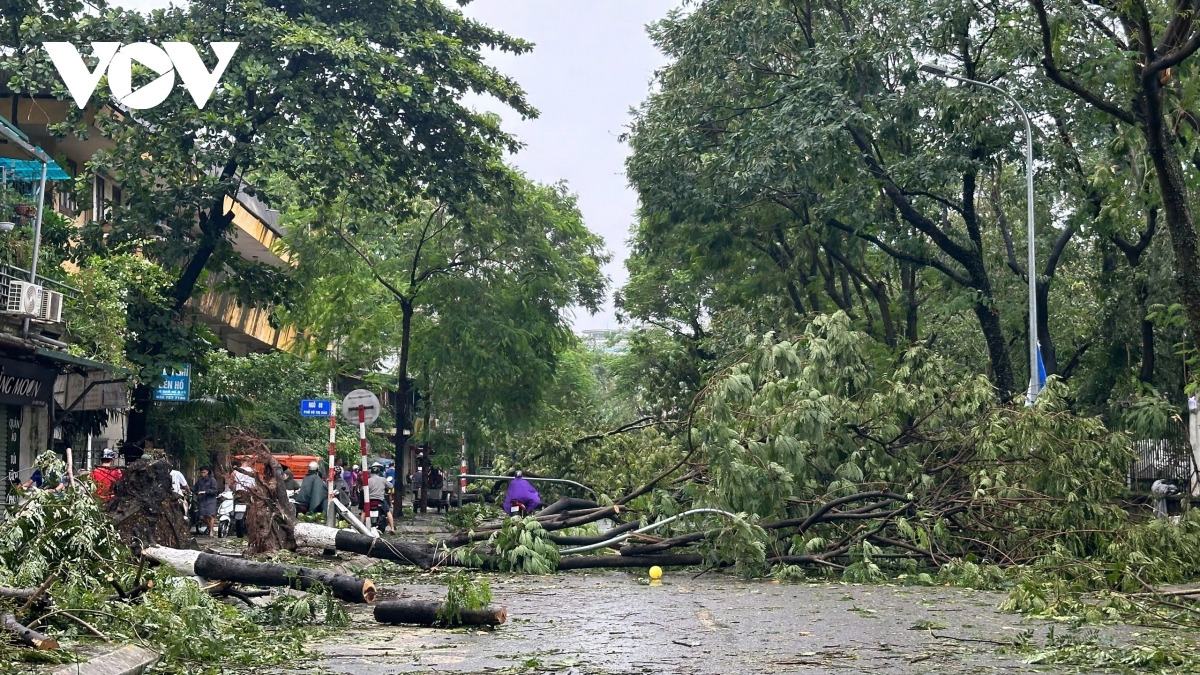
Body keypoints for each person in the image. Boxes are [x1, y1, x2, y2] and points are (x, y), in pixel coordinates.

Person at [367, 462, 395, 533]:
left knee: (364, 512)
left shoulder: (368, 480)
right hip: (380, 500)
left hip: (370, 500)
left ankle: (360, 527)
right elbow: (391, 486)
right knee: (388, 512)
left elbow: (363, 489)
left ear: (371, 473)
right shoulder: (382, 479)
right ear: (378, 472)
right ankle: (392, 528)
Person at [194, 467, 219, 536]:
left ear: (207, 472)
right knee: (202, 517)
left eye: (204, 472)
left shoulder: (212, 480)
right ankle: (209, 527)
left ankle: (211, 531)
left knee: (210, 515)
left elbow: (215, 491)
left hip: (210, 500)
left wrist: (205, 492)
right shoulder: (200, 481)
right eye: (201, 472)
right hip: (202, 500)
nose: (202, 474)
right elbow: (194, 488)